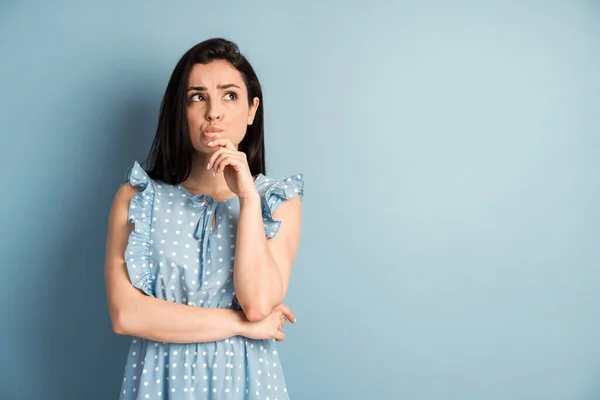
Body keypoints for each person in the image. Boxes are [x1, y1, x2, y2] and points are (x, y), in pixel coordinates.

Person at [104, 37, 304, 399]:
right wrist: (241, 326)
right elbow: (127, 316)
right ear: (180, 111)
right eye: (198, 97)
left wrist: (246, 196)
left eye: (229, 96)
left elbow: (258, 304)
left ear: (251, 109)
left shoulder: (277, 202)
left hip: (247, 384)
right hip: (159, 384)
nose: (214, 112)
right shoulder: (137, 200)